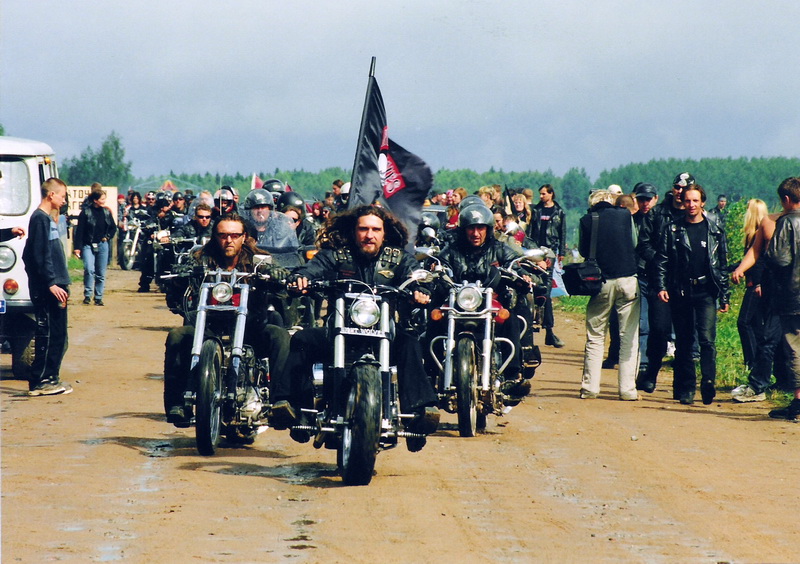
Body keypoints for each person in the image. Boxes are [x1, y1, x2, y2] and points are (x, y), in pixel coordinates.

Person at [272, 205, 440, 450]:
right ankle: (296, 407)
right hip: (338, 332)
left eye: (375, 229)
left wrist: (421, 290)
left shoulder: (398, 258)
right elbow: (311, 269)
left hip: (383, 334)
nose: (369, 235)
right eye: (363, 229)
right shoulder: (336, 255)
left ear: (384, 233)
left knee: (409, 342)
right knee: (302, 340)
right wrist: (302, 279)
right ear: (353, 231)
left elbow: (416, 276)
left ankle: (418, 413)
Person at [162, 213, 291, 425]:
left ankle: (281, 401)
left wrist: (277, 275)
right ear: (215, 236)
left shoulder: (258, 260)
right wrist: (180, 278)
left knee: (280, 336)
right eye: (222, 235)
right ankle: (178, 405)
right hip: (208, 328)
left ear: (244, 237)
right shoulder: (199, 259)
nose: (228, 240)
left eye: (234, 235)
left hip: (251, 328)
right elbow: (175, 298)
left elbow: (281, 285)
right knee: (177, 335)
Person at [433, 203, 533, 397]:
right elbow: (440, 264)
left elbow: (514, 263)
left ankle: (513, 375)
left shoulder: (499, 248)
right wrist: (434, 269)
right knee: (433, 319)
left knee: (510, 319)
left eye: (480, 228)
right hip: (457, 301)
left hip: (490, 301)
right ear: (463, 230)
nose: (476, 233)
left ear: (488, 229)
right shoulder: (451, 250)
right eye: (471, 228)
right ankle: (430, 375)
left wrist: (521, 274)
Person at [654, 185, 729, 405]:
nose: (691, 205)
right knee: (684, 342)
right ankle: (686, 388)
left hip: (706, 291)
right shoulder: (672, 229)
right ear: (683, 202)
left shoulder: (714, 229)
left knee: (707, 340)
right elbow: (662, 260)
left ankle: (708, 382)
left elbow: (721, 266)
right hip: (681, 291)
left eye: (696, 201)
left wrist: (724, 296)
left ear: (702, 202)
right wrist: (661, 286)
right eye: (688, 201)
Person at [577, 190, 640, 400]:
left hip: (601, 282)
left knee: (595, 336)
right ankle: (627, 390)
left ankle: (590, 388)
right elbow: (634, 242)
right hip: (628, 279)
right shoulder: (624, 215)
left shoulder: (587, 220)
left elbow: (584, 251)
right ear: (611, 201)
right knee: (628, 336)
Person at [635, 173, 693, 393]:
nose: (680, 191)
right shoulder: (658, 214)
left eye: (684, 188)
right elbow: (644, 244)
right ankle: (651, 374)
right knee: (658, 330)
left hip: (687, 284)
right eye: (677, 187)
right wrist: (660, 261)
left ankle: (682, 386)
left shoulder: (696, 217)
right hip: (660, 281)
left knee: (685, 334)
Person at [22, 178, 73, 396]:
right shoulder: (39, 219)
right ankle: (40, 380)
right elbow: (37, 256)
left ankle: (52, 377)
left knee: (59, 334)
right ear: (51, 195)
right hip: (48, 288)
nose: (64, 199)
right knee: (49, 332)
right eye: (62, 195)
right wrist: (50, 283)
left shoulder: (49, 219)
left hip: (57, 283)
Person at [727, 199, 780, 403]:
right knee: (763, 331)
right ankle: (766, 375)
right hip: (764, 286)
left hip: (760, 286)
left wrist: (756, 282)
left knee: (750, 325)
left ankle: (756, 372)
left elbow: (762, 261)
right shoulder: (766, 228)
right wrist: (737, 268)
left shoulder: (765, 229)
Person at [764, 178, 800, 419]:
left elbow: (780, 259)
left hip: (793, 295)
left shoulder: (787, 223)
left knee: (796, 347)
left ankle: (798, 402)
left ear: (786, 199)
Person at [527, 184, 567, 348]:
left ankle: (549, 331)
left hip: (550, 252)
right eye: (540, 194)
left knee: (547, 290)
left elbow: (562, 232)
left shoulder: (559, 212)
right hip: (535, 252)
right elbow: (530, 231)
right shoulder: (536, 210)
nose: (541, 196)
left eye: (544, 194)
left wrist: (562, 252)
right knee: (535, 288)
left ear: (551, 194)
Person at [73, 189, 116, 306]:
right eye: (102, 199)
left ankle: (98, 297)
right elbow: (80, 231)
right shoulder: (85, 213)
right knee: (89, 270)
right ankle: (87, 295)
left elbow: (113, 227)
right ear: (95, 200)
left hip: (102, 246)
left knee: (101, 273)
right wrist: (77, 247)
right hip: (88, 245)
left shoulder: (106, 212)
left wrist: (107, 237)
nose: (104, 201)